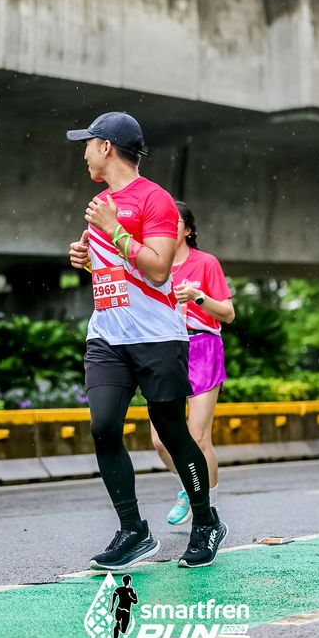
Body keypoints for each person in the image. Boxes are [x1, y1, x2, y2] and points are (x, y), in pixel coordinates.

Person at [68, 111, 227, 570]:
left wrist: (114, 228)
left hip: (157, 336)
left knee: (173, 431)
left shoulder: (155, 199)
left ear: (106, 147)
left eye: (88, 144)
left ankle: (206, 522)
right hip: (107, 335)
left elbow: (158, 269)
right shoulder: (101, 203)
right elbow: (117, 267)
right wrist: (85, 257)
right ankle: (134, 530)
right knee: (103, 427)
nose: (84, 154)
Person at [150, 202, 235, 525]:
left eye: (174, 222)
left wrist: (199, 297)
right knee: (160, 440)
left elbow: (228, 314)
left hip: (202, 348)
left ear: (187, 230)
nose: (166, 226)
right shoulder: (152, 264)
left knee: (198, 438)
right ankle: (189, 486)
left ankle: (208, 510)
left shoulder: (206, 263)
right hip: (164, 350)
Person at [110, 574, 138, 638]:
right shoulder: (125, 589)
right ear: (129, 581)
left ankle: (118, 629)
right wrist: (112, 606)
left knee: (123, 630)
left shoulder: (128, 590)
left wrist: (112, 606)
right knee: (118, 625)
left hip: (122, 610)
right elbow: (135, 601)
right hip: (123, 610)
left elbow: (135, 601)